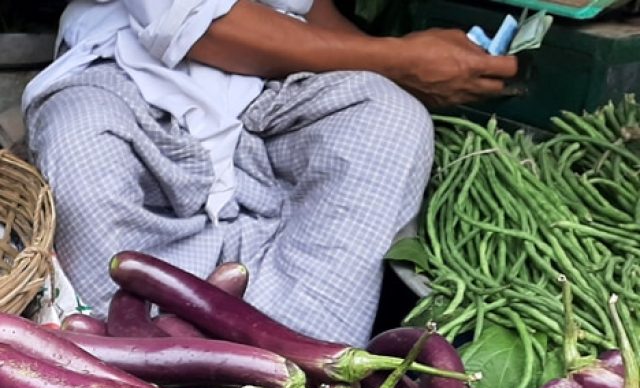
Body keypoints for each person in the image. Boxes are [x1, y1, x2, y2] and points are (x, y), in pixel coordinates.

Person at [23, 0, 517, 346]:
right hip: (126, 75)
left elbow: (307, 10)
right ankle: (144, 359)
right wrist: (401, 59)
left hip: (270, 87)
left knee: (388, 116)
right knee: (80, 134)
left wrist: (410, 63)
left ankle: (295, 361)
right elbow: (194, 24)